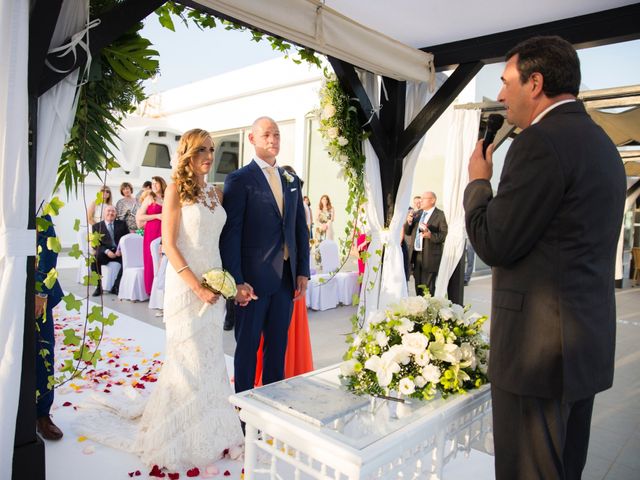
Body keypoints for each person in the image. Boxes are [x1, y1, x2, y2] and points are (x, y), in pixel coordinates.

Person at [463, 36, 625, 480]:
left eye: (505, 81)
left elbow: (494, 241)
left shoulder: (538, 143)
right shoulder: (602, 146)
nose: (500, 95)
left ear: (534, 83)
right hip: (582, 352)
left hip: (538, 359)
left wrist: (478, 183)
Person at [76, 129, 244, 472]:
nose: (209, 156)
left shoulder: (215, 193)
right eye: (202, 150)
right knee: (189, 359)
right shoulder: (174, 193)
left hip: (215, 286)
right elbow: (169, 243)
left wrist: (228, 284)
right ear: (187, 154)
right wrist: (197, 287)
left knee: (211, 361)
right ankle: (181, 436)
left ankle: (213, 433)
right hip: (187, 288)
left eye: (212, 150)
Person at [220, 116, 310, 394]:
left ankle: (273, 401)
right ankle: (244, 406)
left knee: (277, 344)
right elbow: (231, 233)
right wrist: (236, 280)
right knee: (247, 346)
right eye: (266, 135)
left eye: (277, 135)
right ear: (252, 139)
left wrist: (302, 270)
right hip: (252, 282)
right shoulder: (239, 179)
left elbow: (299, 229)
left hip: (285, 280)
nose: (273, 140)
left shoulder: (292, 180)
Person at [254, 165, 314, 385]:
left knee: (282, 333)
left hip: (290, 273)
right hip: (268, 273)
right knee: (267, 334)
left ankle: (286, 373)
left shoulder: (299, 202)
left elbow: (301, 235)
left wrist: (302, 271)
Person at [35, 214, 64, 440]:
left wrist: (41, 290)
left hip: (34, 288)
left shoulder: (38, 204)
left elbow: (47, 247)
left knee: (43, 350)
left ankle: (42, 414)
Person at [404, 191, 448, 296]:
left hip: (430, 256)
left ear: (432, 200)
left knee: (428, 288)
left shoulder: (441, 215)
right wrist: (409, 222)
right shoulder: (418, 213)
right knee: (418, 286)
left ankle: (428, 310)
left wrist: (430, 235)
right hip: (416, 255)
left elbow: (444, 235)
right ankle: (419, 309)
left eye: (424, 198)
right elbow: (408, 232)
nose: (421, 200)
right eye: (421, 198)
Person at [137, 176, 166, 295]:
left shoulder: (167, 198)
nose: (154, 185)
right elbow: (140, 217)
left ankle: (162, 290)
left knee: (162, 259)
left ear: (162, 184)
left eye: (156, 183)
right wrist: (156, 216)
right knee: (151, 259)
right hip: (151, 231)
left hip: (164, 230)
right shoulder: (149, 198)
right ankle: (151, 291)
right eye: (152, 183)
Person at [91, 205, 128, 296]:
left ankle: (116, 286)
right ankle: (99, 287)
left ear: (116, 214)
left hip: (119, 253)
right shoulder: (96, 226)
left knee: (129, 261)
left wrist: (120, 250)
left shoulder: (122, 224)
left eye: (113, 211)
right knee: (94, 259)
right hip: (105, 253)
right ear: (104, 213)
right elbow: (96, 244)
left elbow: (126, 239)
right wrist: (107, 251)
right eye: (108, 211)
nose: (111, 213)